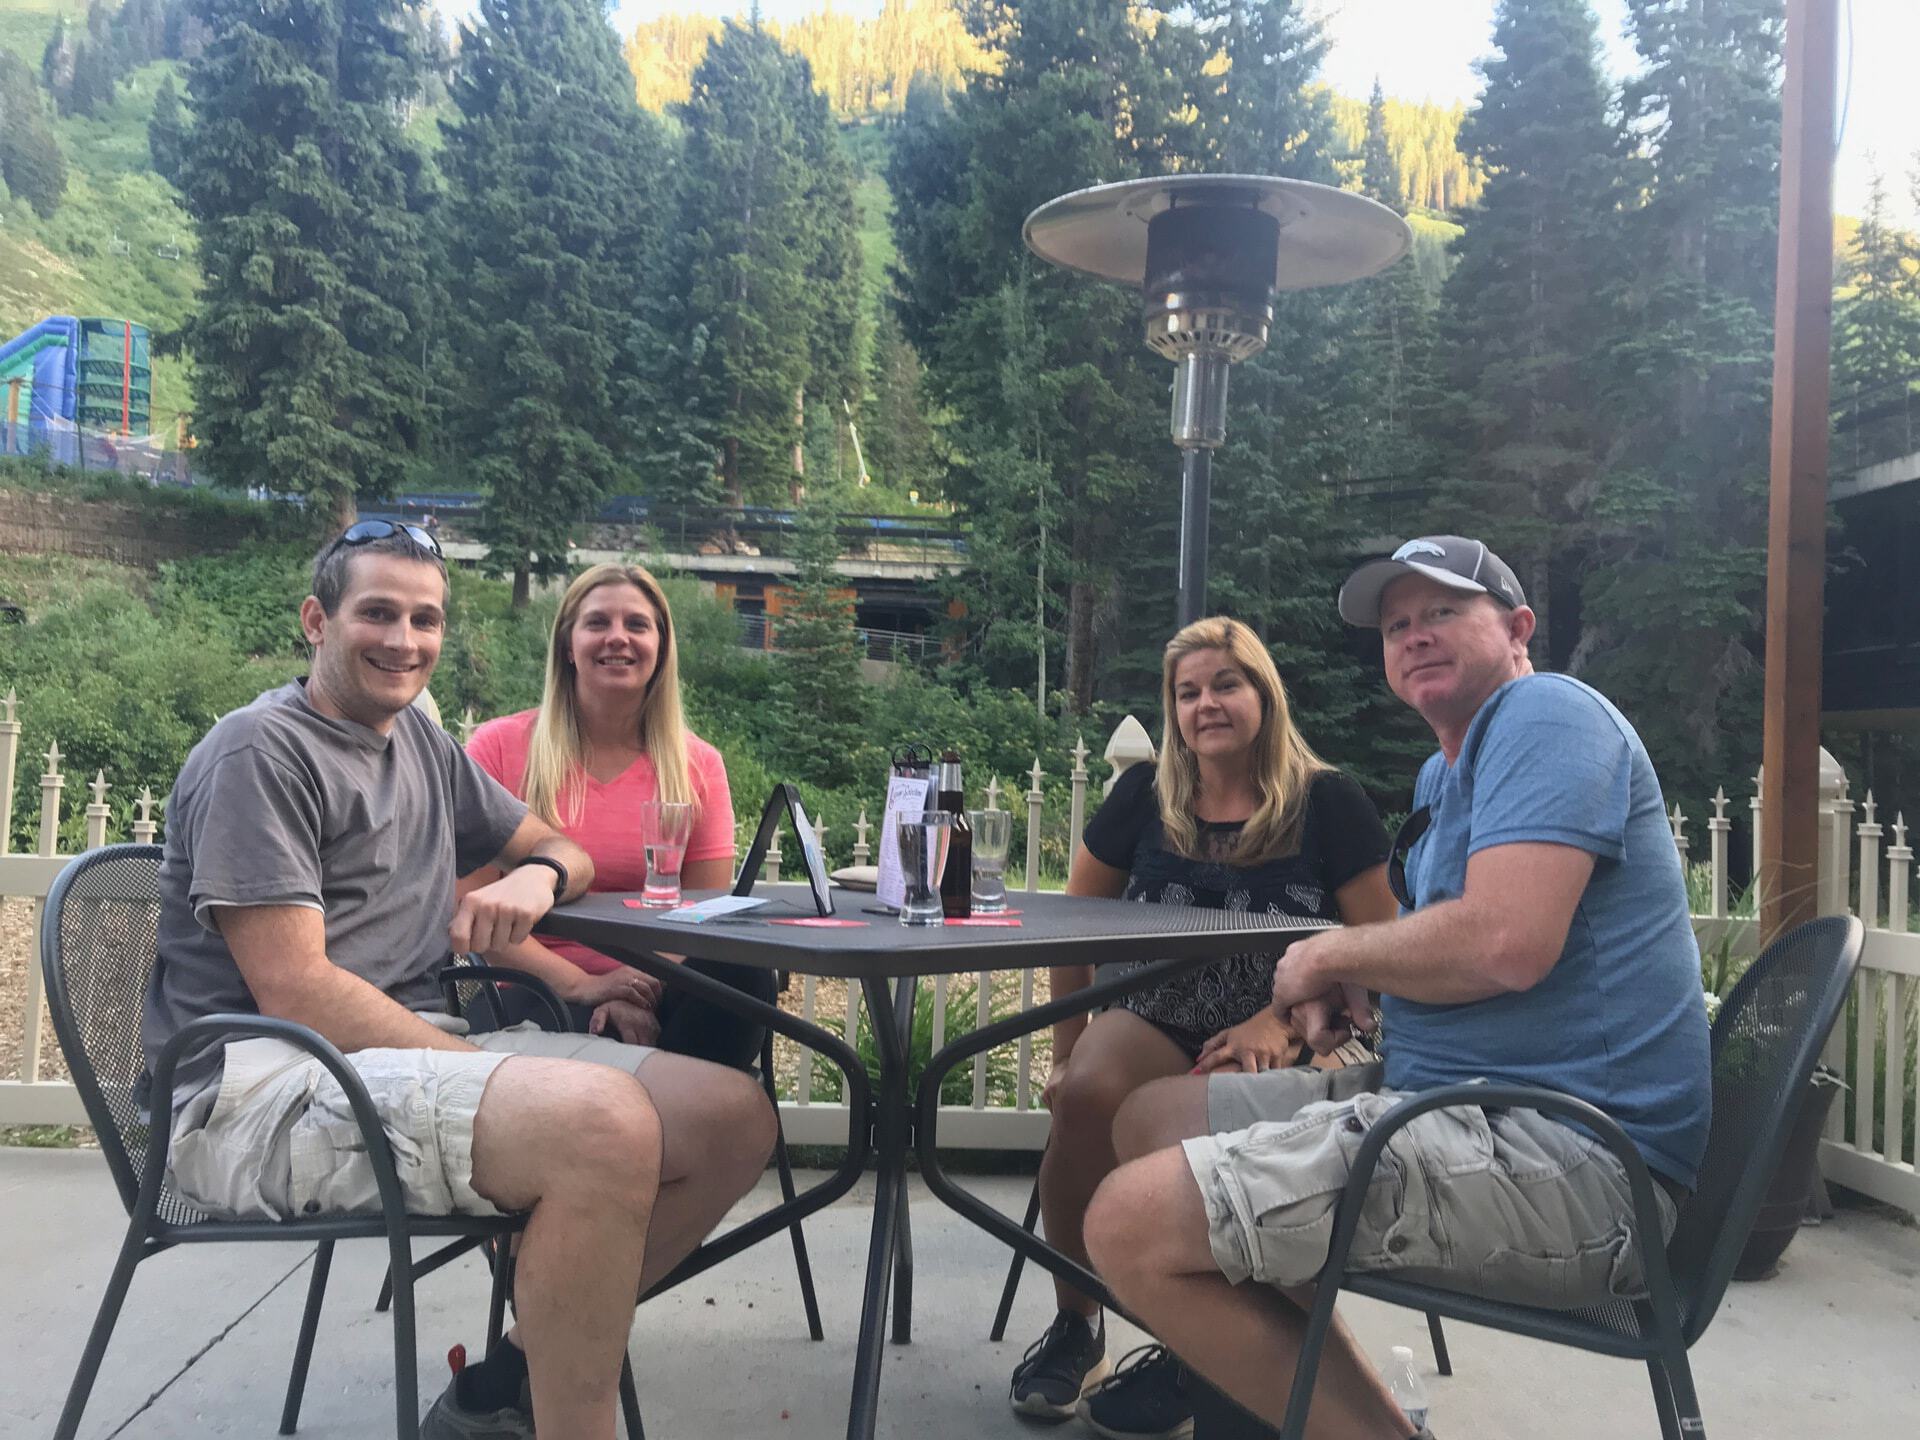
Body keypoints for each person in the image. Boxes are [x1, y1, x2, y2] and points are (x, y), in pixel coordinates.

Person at [142, 521, 777, 1440]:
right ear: (317, 621)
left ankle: (513, 1374)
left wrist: (538, 876)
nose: (404, 640)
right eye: (378, 613)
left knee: (734, 1121)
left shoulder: (421, 747)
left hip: (400, 1053)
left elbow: (559, 847)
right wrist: (474, 1063)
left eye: (425, 619)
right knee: (599, 1128)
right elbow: (297, 992)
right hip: (260, 1089)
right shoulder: (262, 751)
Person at [1082, 536, 1713, 1440]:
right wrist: (1361, 986)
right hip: (1451, 1103)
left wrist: (1329, 957)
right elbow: (1453, 952)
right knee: (1150, 1117)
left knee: (1129, 1224)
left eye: (1444, 612)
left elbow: (1506, 942)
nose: (1415, 635)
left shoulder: (1548, 715)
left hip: (1566, 1156)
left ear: (1518, 627)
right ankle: (1283, 1399)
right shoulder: (1444, 771)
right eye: (1397, 624)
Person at [1010, 616, 1397, 1435]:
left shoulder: (1329, 803)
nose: (1206, 705)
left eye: (1226, 684)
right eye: (1187, 693)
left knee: (1209, 1126)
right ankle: (1077, 1326)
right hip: (1156, 1011)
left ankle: (1203, 1360)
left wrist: (1280, 1020)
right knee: (1086, 1097)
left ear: (1264, 693)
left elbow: (1375, 951)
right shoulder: (1143, 797)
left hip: (1291, 1031)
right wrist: (1066, 1050)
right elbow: (1071, 928)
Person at [464, 562, 772, 1068]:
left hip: (661, 985)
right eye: (597, 623)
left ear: (661, 646)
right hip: (532, 984)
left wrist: (631, 991)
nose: (617, 638)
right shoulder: (498, 748)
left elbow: (702, 919)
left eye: (636, 624)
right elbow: (471, 911)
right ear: (568, 645)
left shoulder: (698, 765)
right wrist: (588, 988)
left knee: (745, 977)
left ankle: (690, 1136)